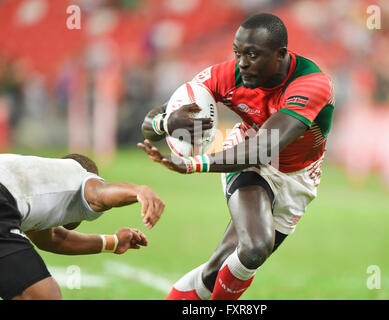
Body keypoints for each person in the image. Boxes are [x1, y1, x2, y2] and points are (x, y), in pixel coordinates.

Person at [140, 13, 334, 300]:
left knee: (217, 269)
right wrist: (165, 123)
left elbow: (267, 145)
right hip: (249, 159)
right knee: (256, 247)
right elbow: (149, 126)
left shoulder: (311, 84)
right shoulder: (227, 75)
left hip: (297, 176)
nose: (242, 63)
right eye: (238, 53)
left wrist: (194, 164)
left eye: (252, 55)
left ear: (280, 55)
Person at [0, 153, 165, 300]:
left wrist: (114, 242)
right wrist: (138, 190)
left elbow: (53, 238)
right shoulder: (79, 176)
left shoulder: (39, 185)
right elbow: (99, 193)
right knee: (42, 296)